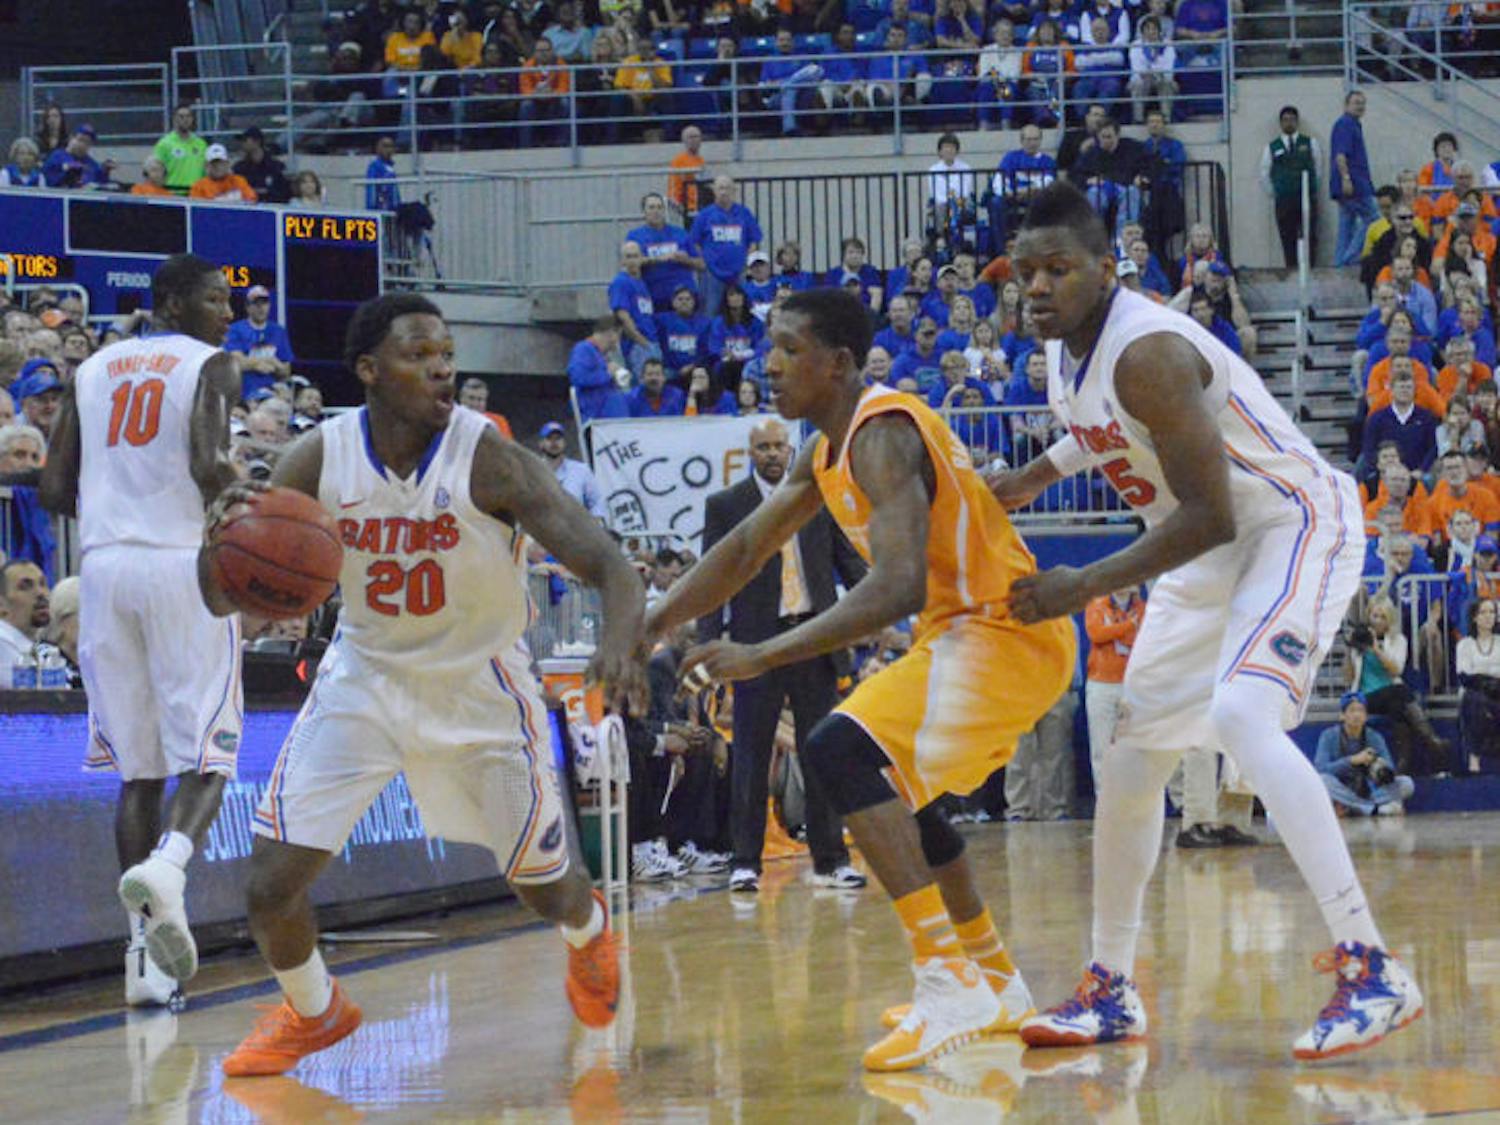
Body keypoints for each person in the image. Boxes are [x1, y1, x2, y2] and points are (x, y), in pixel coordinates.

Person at [990, 180, 1422, 1059]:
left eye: (1056, 270)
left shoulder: (1146, 347)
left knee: (1238, 716)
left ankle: (1374, 966)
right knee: (1134, 758)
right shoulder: (1062, 355)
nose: (1035, 287)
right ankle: (1110, 986)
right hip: (1200, 552)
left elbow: (1210, 514)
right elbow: (1101, 429)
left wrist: (1082, 586)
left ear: (1106, 270)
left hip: (1285, 524)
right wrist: (1031, 478)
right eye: (1025, 272)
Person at [202, 293, 649, 1076]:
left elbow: (611, 566)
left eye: (447, 352)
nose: (443, 367)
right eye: (420, 353)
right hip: (365, 681)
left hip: (481, 688)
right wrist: (225, 537)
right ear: (369, 370)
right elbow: (219, 595)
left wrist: (621, 648)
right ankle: (315, 1010)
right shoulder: (318, 456)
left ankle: (588, 932)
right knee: (271, 883)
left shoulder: (491, 458)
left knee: (545, 888)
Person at [645, 288, 1078, 1071]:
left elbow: (899, 586)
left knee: (839, 750)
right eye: (765, 347)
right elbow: (744, 548)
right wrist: (652, 623)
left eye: (785, 348)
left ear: (838, 363)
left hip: (1004, 629)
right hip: (965, 633)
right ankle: (995, 981)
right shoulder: (823, 448)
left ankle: (947, 978)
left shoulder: (881, 436)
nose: (766, 363)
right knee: (898, 797)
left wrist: (764, 653)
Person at [36, 255, 242, 1010]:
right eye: (215, 298)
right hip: (179, 565)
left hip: (103, 571)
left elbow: (55, 488)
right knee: (213, 753)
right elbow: (209, 463)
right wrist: (257, 496)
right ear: (170, 302)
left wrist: (113, 498)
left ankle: (143, 960)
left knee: (138, 773)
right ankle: (174, 865)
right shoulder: (210, 363)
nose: (228, 312)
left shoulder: (92, 369)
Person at [697, 418, 868, 893]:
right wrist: (709, 644)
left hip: (813, 638)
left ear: (791, 450)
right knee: (750, 754)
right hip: (755, 644)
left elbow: (849, 563)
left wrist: (888, 607)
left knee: (821, 751)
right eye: (764, 447)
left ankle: (831, 860)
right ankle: (744, 861)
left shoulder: (818, 495)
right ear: (750, 452)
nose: (773, 453)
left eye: (779, 446)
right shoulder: (726, 506)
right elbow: (711, 577)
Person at [1315, 693, 1414, 816]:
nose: (1356, 715)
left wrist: (1378, 765)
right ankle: (1374, 809)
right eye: (1352, 710)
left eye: (1360, 710)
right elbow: (1320, 768)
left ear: (1366, 716)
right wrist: (1352, 760)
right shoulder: (1328, 736)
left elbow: (1390, 770)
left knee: (1407, 783)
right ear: (1342, 715)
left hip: (1369, 791)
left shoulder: (1374, 737)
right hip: (1342, 788)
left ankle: (1359, 807)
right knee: (1323, 780)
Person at [1083, 586, 1144, 786]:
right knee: (1101, 747)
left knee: (1132, 748)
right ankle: (1104, 802)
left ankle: (1130, 801)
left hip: (1131, 684)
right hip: (1101, 684)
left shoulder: (1143, 609)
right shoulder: (1096, 605)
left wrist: (1115, 631)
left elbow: (1140, 640)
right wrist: (1129, 626)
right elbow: (1096, 634)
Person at [688, 176, 762, 319]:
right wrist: (703, 262)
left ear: (734, 191)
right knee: (710, 312)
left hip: (738, 272)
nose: (724, 192)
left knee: (740, 311)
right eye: (720, 188)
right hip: (712, 274)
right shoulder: (704, 215)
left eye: (727, 188)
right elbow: (694, 241)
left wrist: (747, 262)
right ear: (714, 191)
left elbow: (754, 239)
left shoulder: (744, 213)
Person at [1260, 105, 1321, 270]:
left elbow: (1318, 168)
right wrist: (1276, 193)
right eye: (1285, 120)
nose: (1289, 123)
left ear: (1297, 122)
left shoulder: (1310, 143)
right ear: (1280, 123)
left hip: (1306, 197)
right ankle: (1291, 269)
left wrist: (1312, 189)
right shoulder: (1271, 147)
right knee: (1287, 236)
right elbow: (1264, 173)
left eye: (1292, 120)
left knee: (1310, 235)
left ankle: (1310, 268)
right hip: (1284, 200)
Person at [628, 192, 704, 313]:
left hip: (683, 298)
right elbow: (631, 264)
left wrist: (686, 260)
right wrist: (659, 259)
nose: (656, 211)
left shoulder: (680, 233)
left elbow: (702, 265)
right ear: (644, 211)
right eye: (651, 207)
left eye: (659, 207)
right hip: (654, 297)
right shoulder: (635, 236)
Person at [1331, 90, 1378, 268]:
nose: (1360, 106)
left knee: (1347, 223)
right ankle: (1349, 258)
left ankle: (1339, 264)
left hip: (1356, 182)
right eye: (1356, 102)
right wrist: (1346, 178)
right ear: (1346, 105)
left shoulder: (1354, 125)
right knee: (1372, 217)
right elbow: (1341, 155)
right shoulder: (1345, 124)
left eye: (1362, 103)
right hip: (1354, 184)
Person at [223, 286, 293, 399]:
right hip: (243, 392)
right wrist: (268, 361)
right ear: (247, 307)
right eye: (256, 303)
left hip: (273, 392)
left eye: (264, 303)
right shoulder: (234, 330)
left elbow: (286, 371)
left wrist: (270, 362)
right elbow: (237, 362)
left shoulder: (278, 331)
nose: (261, 307)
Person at [1457, 597, 1500, 772]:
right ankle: (1474, 759)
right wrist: (1492, 672)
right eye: (1483, 612)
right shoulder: (1465, 645)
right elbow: (1465, 675)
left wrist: (1482, 672)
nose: (1488, 616)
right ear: (1474, 617)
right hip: (1475, 691)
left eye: (1492, 612)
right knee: (1474, 699)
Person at [609, 240, 662, 378]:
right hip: (638, 345)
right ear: (622, 261)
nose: (632, 260)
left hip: (651, 340)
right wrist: (642, 342)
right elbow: (622, 316)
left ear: (641, 258)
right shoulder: (621, 282)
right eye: (628, 256)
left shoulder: (642, 284)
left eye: (635, 256)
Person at [538, 420, 605, 519]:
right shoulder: (533, 472)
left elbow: (597, 502)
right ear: (541, 444)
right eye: (549, 439)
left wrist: (597, 520)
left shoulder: (581, 470)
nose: (554, 443)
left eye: (558, 438)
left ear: (564, 442)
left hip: (578, 528)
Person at [568, 316, 629, 421]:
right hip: (597, 418)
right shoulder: (584, 349)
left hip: (611, 415)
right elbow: (578, 378)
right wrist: (608, 374)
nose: (618, 341)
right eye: (619, 336)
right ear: (611, 333)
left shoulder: (603, 355)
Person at [152, 105, 207, 194]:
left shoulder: (201, 144)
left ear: (192, 119)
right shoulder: (164, 144)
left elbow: (206, 171)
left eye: (188, 116)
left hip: (196, 196)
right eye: (181, 116)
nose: (185, 119)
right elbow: (155, 172)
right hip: (173, 196)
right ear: (174, 119)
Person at [41, 124, 114, 189]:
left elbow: (100, 184)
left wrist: (105, 171)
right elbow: (49, 181)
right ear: (71, 138)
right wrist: (69, 172)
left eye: (87, 143)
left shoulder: (91, 163)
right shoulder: (57, 157)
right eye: (80, 140)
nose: (83, 145)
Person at [232, 128, 291, 204]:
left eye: (245, 140)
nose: (242, 144)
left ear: (257, 142)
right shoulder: (239, 168)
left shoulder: (276, 167)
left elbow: (285, 194)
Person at [667, 124, 706, 217]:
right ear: (683, 140)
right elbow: (674, 185)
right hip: (687, 208)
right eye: (690, 137)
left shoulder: (701, 160)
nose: (694, 140)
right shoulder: (678, 161)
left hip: (700, 206)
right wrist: (677, 204)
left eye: (696, 137)